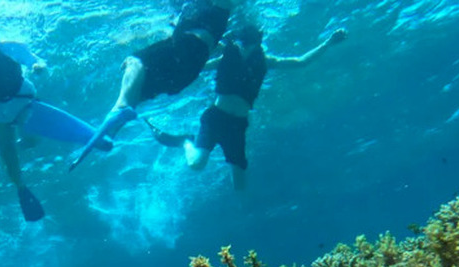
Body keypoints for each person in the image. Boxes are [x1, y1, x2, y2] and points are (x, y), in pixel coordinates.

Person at [147, 25, 347, 190]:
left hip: (238, 125)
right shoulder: (224, 58)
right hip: (216, 118)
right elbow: (195, 67)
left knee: (239, 186)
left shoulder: (266, 61)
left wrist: (328, 43)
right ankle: (185, 142)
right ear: (238, 42)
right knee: (196, 164)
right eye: (242, 44)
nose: (244, 49)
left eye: (249, 45)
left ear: (256, 45)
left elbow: (301, 61)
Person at [0, 19, 111, 221]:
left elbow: (34, 59)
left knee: (32, 141)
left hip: (23, 101)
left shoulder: (9, 47)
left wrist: (38, 66)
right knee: (7, 155)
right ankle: (21, 187)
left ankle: (22, 143)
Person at [70, 0, 239, 170]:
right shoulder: (215, 16)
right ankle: (116, 122)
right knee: (142, 77)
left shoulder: (200, 13)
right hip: (187, 73)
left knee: (136, 63)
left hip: (184, 61)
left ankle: (120, 111)